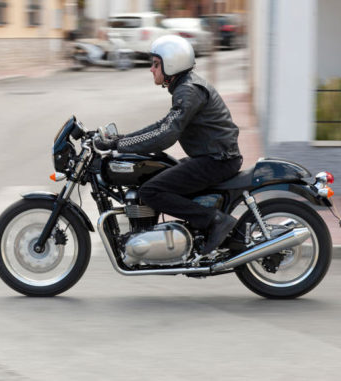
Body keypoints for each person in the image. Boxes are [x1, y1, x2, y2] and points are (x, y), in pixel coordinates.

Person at [93, 35, 242, 254]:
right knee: (158, 173)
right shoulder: (185, 87)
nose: (151, 69)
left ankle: (215, 221)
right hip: (213, 156)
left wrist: (117, 146)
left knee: (151, 191)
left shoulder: (188, 91)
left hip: (217, 159)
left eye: (155, 64)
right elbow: (162, 125)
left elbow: (165, 135)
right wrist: (120, 140)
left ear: (172, 63)